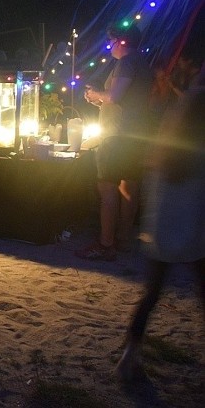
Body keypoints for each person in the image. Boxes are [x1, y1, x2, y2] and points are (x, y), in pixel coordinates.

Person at [116, 82, 205, 382]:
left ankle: (130, 353)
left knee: (152, 294)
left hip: (162, 234)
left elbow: (150, 196)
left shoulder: (161, 153)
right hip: (195, 235)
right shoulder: (199, 156)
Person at [79, 27, 153, 261]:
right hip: (136, 133)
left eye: (111, 41)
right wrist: (101, 101)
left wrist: (96, 95)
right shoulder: (142, 63)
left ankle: (105, 243)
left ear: (121, 41)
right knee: (128, 186)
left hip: (116, 135)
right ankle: (123, 240)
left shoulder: (126, 63)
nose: (109, 45)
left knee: (107, 186)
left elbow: (114, 97)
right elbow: (126, 101)